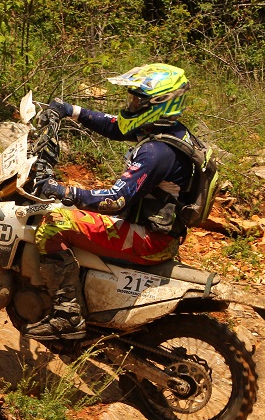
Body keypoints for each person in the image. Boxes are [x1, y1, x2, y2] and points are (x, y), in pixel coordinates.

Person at [23, 63, 195, 341]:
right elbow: (115, 126)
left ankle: (67, 316)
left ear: (158, 105)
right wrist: (69, 110)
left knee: (55, 222)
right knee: (74, 209)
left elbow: (115, 199)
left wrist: (61, 190)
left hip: (148, 239)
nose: (131, 105)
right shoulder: (168, 131)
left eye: (138, 100)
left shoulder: (156, 152)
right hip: (153, 230)